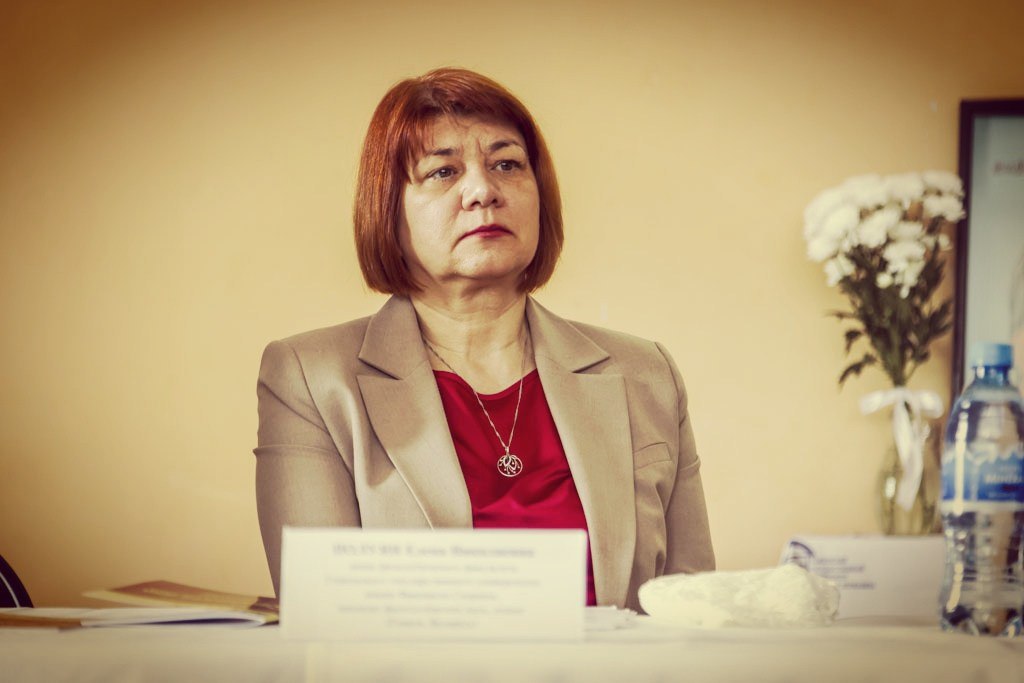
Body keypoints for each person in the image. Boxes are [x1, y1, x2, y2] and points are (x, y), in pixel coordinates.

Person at [254, 67, 714, 610]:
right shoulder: (311, 376)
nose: (482, 191)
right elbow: (325, 613)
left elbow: (696, 609)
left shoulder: (645, 371)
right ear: (387, 210)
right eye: (442, 171)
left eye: (506, 164)